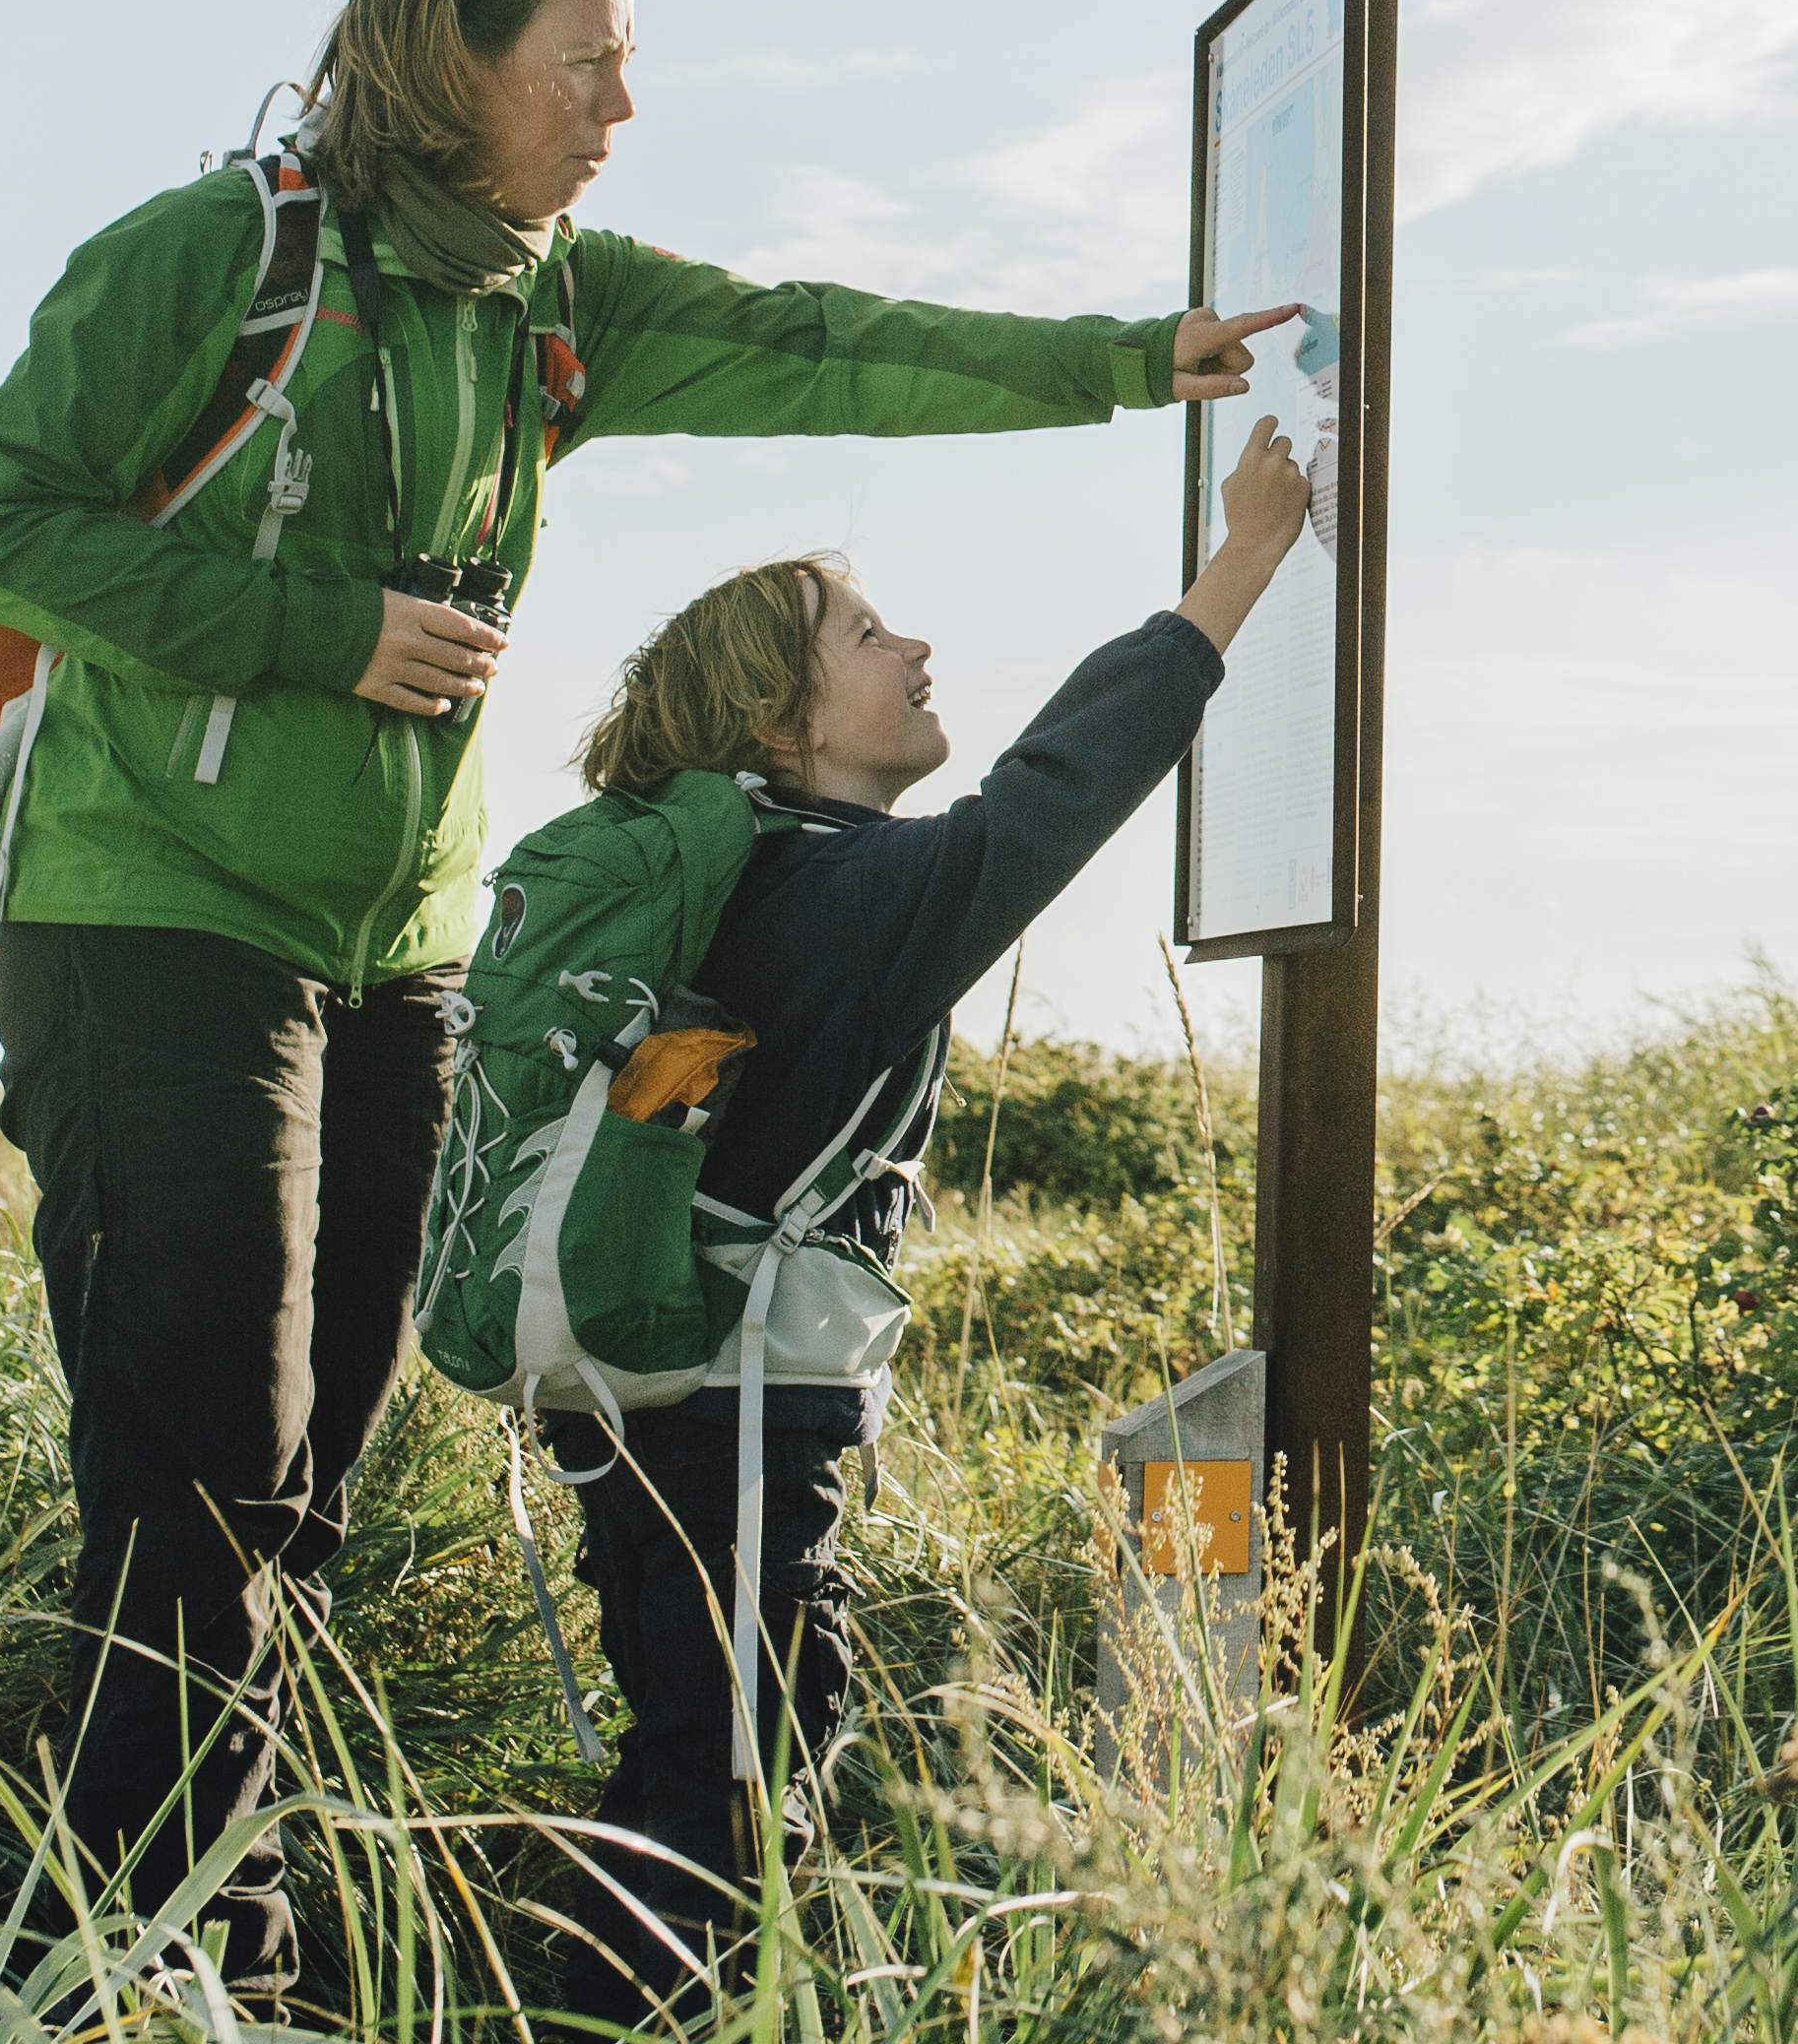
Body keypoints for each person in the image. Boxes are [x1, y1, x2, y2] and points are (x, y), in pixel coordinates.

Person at [0, 0, 1292, 1996]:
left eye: (623, 67)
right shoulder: (213, 258)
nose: (619, 110)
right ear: (444, 59)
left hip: (390, 958)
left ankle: (206, 1924)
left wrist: (1133, 360)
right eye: (585, 65)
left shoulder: (552, 305)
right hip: (155, 922)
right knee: (206, 1452)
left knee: (305, 1475)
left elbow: (822, 346)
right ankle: (129, 1953)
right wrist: (320, 627)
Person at [531, 415, 1316, 2021]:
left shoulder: (761, 881)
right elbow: (1054, 793)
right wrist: (1237, 566)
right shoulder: (832, 894)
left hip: (670, 1391)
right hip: (732, 1405)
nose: (916, 644)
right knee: (723, 1781)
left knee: (719, 1749)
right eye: (867, 633)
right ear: (776, 713)